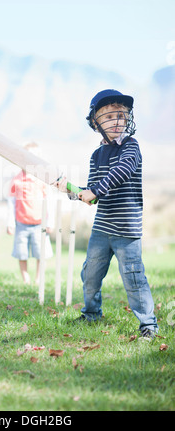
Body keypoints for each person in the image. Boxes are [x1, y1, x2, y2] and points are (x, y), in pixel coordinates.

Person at [55, 89, 158, 340]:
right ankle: (91, 314)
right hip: (102, 228)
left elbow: (121, 172)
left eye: (121, 115)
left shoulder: (131, 147)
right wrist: (70, 189)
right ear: (95, 123)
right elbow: (93, 193)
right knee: (90, 273)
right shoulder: (96, 155)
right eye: (109, 116)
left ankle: (148, 325)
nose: (117, 120)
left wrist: (95, 190)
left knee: (133, 278)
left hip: (126, 229)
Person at [7, 142, 53, 285]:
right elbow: (11, 203)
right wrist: (10, 222)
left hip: (40, 222)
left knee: (41, 252)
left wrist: (50, 221)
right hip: (22, 223)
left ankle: (38, 279)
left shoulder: (42, 179)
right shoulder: (17, 180)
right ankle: (25, 278)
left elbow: (49, 201)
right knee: (22, 252)